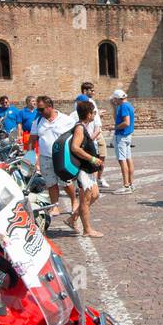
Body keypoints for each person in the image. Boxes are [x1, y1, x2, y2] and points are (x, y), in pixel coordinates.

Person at [30, 96, 76, 215]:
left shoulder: (66, 120)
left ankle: (74, 201)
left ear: (50, 107)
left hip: (61, 157)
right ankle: (55, 206)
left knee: (65, 182)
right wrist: (31, 157)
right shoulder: (38, 121)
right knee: (50, 183)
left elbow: (75, 138)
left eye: (41, 109)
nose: (39, 112)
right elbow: (32, 140)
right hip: (45, 157)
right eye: (38, 110)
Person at [68, 99, 104, 236]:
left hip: (89, 170)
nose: (95, 114)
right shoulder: (79, 128)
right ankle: (87, 230)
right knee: (85, 200)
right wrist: (92, 158)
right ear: (88, 114)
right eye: (93, 112)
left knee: (95, 195)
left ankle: (72, 218)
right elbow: (75, 148)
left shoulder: (83, 126)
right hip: (83, 169)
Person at [110, 89, 135, 192]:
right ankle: (131, 183)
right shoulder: (128, 105)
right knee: (128, 158)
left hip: (121, 135)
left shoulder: (123, 106)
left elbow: (126, 122)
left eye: (115, 99)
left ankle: (126, 185)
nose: (114, 101)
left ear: (118, 98)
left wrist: (115, 128)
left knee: (122, 160)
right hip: (128, 135)